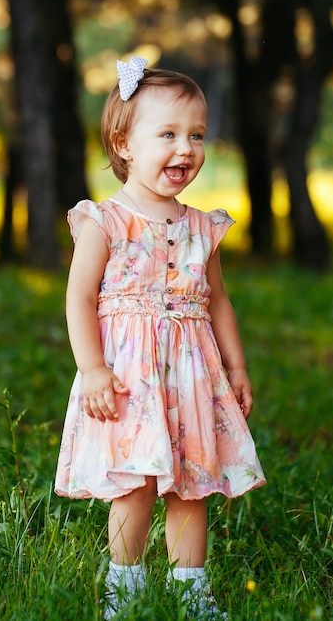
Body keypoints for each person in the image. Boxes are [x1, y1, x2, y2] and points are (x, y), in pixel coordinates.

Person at [54, 55, 266, 619]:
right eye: (167, 134)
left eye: (197, 135)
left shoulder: (202, 227)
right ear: (123, 143)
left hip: (193, 375)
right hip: (129, 378)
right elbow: (78, 299)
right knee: (135, 485)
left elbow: (217, 301)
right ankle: (124, 591)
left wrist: (237, 367)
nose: (186, 149)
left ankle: (191, 592)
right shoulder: (104, 222)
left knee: (191, 484)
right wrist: (93, 368)